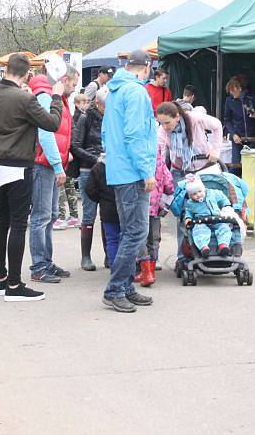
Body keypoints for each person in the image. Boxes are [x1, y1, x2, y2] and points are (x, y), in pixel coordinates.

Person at [0, 53, 64, 302]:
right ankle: (15, 286)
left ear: (6, 69)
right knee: (18, 225)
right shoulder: (25, 98)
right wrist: (57, 96)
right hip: (17, 165)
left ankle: (0, 279)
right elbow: (52, 123)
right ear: (27, 73)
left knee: (1, 223)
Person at [101, 49, 157, 313]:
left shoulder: (115, 91)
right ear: (146, 67)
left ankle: (125, 287)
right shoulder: (136, 92)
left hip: (119, 169)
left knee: (129, 232)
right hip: (133, 172)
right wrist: (147, 171)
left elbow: (107, 132)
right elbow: (136, 135)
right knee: (137, 232)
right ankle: (115, 289)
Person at [155, 100, 223, 262]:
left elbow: (217, 125)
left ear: (177, 117)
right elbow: (159, 149)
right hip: (180, 171)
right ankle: (183, 256)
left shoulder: (195, 119)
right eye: (161, 123)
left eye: (167, 123)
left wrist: (215, 150)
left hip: (203, 168)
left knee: (208, 208)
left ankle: (213, 247)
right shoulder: (163, 130)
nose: (164, 126)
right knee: (183, 213)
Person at [28, 66, 78, 283]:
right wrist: (59, 165)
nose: (74, 89)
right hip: (43, 164)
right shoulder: (46, 97)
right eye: (74, 84)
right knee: (41, 216)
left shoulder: (51, 96)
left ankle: (46, 262)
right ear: (64, 79)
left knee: (50, 215)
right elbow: (46, 133)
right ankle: (39, 266)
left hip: (49, 162)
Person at [71, 86, 106, 271]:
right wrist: (96, 158)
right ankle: (86, 257)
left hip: (108, 170)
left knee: (108, 213)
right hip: (88, 170)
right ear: (98, 103)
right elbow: (75, 146)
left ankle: (110, 255)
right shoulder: (85, 118)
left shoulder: (112, 118)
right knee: (89, 213)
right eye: (105, 106)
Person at [134, 145, 175, 287]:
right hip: (156, 208)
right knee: (154, 238)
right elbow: (169, 184)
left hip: (141, 207)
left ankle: (144, 271)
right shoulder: (161, 163)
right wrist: (166, 202)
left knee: (141, 237)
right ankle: (151, 270)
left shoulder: (138, 164)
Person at [182, 174, 235, 257]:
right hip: (201, 222)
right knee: (199, 231)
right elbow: (188, 212)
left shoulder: (212, 193)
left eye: (200, 191)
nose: (198, 195)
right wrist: (188, 218)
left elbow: (222, 197)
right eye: (194, 194)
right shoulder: (190, 203)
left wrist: (226, 205)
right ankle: (203, 247)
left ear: (203, 189)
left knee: (224, 228)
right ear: (190, 195)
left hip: (217, 219)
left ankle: (223, 245)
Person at [56, 93, 87, 230]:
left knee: (63, 187)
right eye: (84, 102)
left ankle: (62, 216)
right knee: (67, 186)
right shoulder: (75, 116)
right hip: (70, 155)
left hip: (68, 155)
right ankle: (72, 216)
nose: (86, 104)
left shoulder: (75, 118)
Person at [84, 154, 120, 269]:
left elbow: (89, 189)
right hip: (124, 207)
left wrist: (100, 199)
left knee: (112, 239)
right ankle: (126, 267)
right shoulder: (123, 166)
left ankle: (114, 265)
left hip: (107, 210)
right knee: (126, 238)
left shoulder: (98, 168)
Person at [223, 76, 255, 167]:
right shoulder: (229, 101)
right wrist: (233, 134)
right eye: (230, 91)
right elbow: (227, 119)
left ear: (239, 88)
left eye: (232, 90)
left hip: (253, 137)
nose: (231, 93)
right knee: (235, 165)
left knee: (251, 166)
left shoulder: (252, 98)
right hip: (237, 137)